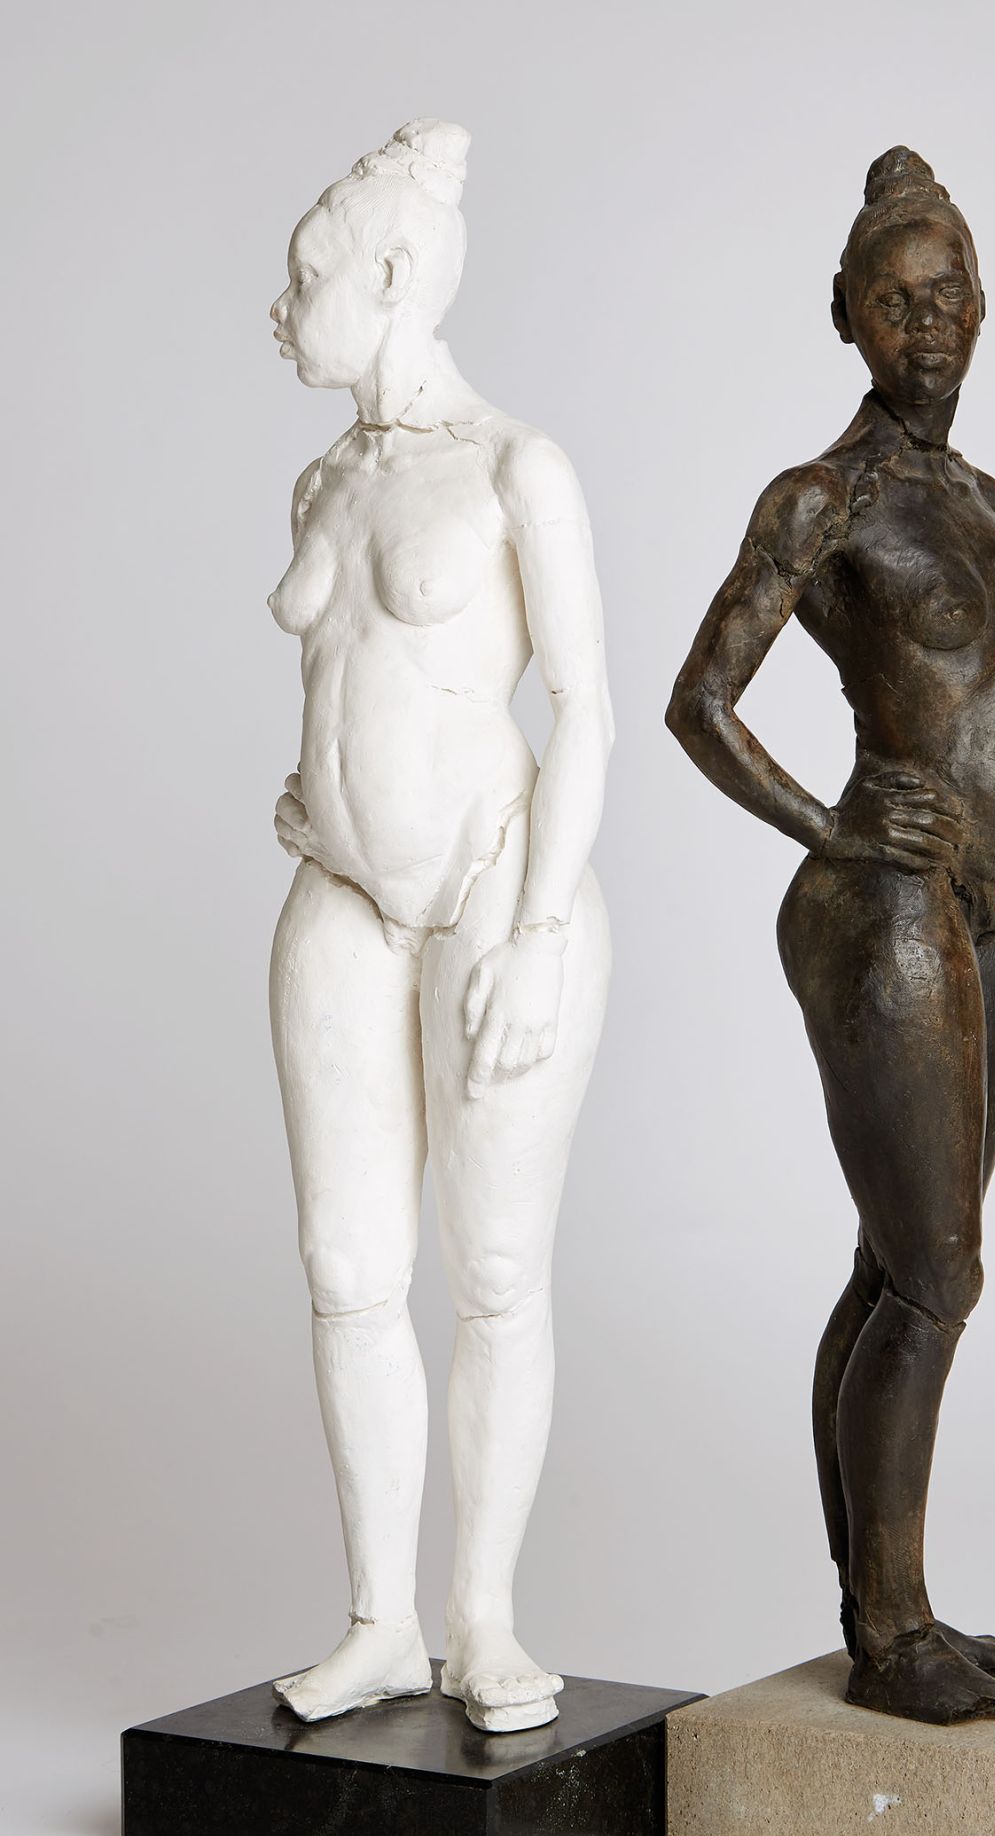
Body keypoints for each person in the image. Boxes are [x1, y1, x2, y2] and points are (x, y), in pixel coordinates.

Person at [668, 147, 995, 1724]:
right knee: (936, 1274)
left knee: (899, 1264)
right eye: (894, 301)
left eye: (947, 291)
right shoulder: (819, 499)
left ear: (983, 301)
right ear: (843, 316)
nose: (927, 323)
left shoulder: (976, 498)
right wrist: (831, 825)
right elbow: (700, 702)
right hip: (886, 906)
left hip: (986, 911)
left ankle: (888, 1603)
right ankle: (891, 1638)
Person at [266, 121, 612, 1730]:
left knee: (492, 1267)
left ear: (395, 275)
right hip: (340, 896)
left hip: (488, 889)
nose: (280, 311)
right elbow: (354, 679)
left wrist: (538, 931)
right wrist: (318, 792)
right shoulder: (323, 478)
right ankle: (377, 1619)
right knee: (346, 1267)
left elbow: (586, 710)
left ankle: (483, 1615)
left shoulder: (516, 467)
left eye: (305, 279)